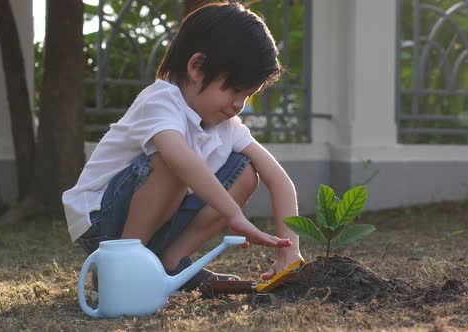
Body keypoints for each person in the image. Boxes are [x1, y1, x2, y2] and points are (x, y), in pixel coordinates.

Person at [62, 1, 303, 291]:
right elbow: (179, 159)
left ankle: (170, 262)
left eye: (248, 95)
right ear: (197, 68)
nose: (239, 106)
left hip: (157, 220)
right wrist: (233, 215)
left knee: (247, 172)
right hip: (103, 221)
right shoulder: (160, 100)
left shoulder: (225, 125)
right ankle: (121, 268)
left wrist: (290, 250)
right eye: (235, 91)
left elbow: (279, 180)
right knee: (173, 162)